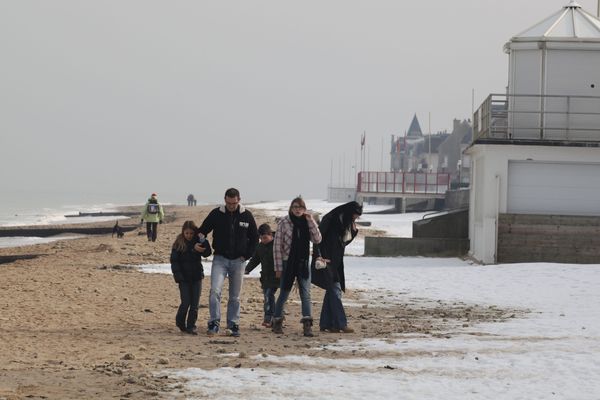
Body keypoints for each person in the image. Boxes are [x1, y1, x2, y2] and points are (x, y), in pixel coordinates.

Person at [198, 188, 258, 337]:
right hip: (220, 259)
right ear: (225, 199)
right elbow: (203, 230)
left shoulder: (247, 215)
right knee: (214, 291)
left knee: (235, 296)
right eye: (229, 203)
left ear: (239, 200)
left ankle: (233, 324)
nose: (231, 205)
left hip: (239, 261)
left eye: (234, 203)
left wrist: (247, 255)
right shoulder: (216, 213)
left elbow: (255, 238)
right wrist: (201, 243)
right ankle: (214, 322)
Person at [271, 197, 322, 337]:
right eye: (295, 207)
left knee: (305, 294)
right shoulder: (284, 222)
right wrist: (278, 268)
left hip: (303, 262)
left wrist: (311, 221)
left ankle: (307, 325)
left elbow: (317, 239)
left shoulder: (307, 222)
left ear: (304, 209)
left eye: (300, 207)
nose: (297, 209)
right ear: (291, 208)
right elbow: (277, 247)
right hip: (288, 263)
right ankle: (277, 321)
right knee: (284, 293)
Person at [312, 201, 362, 333]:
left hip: (337, 262)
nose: (355, 219)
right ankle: (341, 323)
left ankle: (326, 324)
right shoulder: (331, 218)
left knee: (332, 290)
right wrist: (318, 256)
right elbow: (317, 238)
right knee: (335, 290)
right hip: (325, 260)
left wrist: (354, 233)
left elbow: (343, 243)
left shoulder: (346, 222)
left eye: (357, 217)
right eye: (354, 216)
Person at [170, 220, 212, 335]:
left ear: (194, 233)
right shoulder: (178, 244)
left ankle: (191, 326)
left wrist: (203, 240)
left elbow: (208, 253)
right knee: (186, 302)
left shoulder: (198, 242)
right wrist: (178, 277)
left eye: (191, 233)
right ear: (183, 232)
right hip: (183, 278)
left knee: (194, 304)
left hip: (197, 277)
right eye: (186, 233)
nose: (189, 235)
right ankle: (180, 322)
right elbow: (174, 262)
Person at [244, 223, 279, 327]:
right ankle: (270, 319)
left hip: (278, 276)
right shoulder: (260, 246)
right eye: (261, 238)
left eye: (265, 238)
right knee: (268, 297)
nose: (263, 240)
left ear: (270, 235)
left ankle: (272, 318)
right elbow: (255, 259)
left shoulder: (277, 244)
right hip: (266, 277)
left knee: (271, 296)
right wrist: (247, 269)